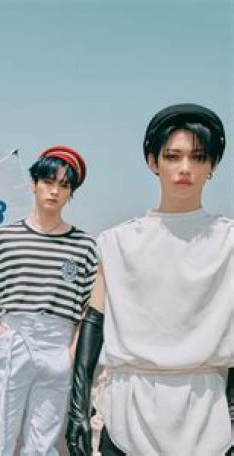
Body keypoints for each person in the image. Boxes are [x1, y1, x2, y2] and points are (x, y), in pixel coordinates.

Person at [66, 103, 233, 455]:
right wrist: (77, 407)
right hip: (128, 407)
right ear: (152, 161)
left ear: (214, 165)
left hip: (206, 408)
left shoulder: (229, 242)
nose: (185, 168)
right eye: (172, 156)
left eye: (198, 157)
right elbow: (94, 321)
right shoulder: (117, 242)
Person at [0, 146, 98, 455]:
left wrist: (71, 350)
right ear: (34, 184)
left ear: (71, 193)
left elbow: (89, 306)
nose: (54, 191)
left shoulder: (84, 245)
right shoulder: (5, 237)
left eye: (64, 185)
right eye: (48, 181)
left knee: (43, 441)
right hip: (14, 335)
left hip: (59, 342)